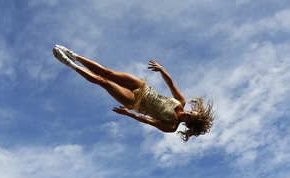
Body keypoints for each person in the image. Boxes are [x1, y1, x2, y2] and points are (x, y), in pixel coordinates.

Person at [52, 45, 215, 142]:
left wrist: (128, 114)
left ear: (188, 123)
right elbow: (170, 83)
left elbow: (148, 121)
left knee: (104, 82)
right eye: (190, 112)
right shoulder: (181, 102)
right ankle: (74, 55)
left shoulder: (172, 126)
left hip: (135, 102)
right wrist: (161, 69)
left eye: (189, 116)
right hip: (143, 88)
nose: (186, 113)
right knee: (107, 72)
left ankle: (70, 64)